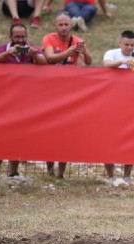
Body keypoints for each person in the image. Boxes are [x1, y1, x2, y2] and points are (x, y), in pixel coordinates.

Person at [0, 23, 47, 182]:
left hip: (25, 101)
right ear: (11, 37)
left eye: (23, 37)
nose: (21, 40)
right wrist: (8, 53)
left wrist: (34, 55)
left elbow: (44, 62)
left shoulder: (31, 48)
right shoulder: (3, 49)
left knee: (17, 136)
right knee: (1, 135)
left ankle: (13, 172)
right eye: (17, 37)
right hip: (5, 100)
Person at [42, 11, 92, 178]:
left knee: (65, 132)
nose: (63, 28)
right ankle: (49, 171)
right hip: (50, 92)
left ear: (71, 25)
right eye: (60, 24)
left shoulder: (78, 41)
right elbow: (49, 58)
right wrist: (69, 52)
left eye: (66, 24)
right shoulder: (48, 39)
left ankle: (60, 174)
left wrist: (84, 51)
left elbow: (89, 62)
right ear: (55, 26)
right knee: (50, 133)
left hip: (70, 93)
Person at [102, 30, 134, 187]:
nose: (129, 48)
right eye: (126, 44)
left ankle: (126, 176)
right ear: (120, 43)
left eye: (132, 45)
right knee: (108, 138)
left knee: (131, 137)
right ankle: (110, 176)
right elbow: (106, 64)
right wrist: (123, 63)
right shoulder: (112, 53)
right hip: (112, 102)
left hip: (132, 102)